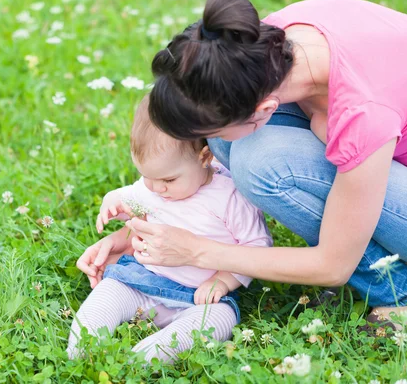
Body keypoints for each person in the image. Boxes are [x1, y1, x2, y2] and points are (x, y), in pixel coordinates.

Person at [101, 0, 407, 330]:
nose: (205, 145)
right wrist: (140, 232)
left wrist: (198, 251)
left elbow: (331, 265)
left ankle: (396, 297)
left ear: (264, 107)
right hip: (397, 148)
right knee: (231, 147)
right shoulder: (267, 43)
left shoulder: (362, 111)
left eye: (211, 130)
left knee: (263, 164)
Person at [69, 96, 272, 361]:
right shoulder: (152, 184)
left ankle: (146, 359)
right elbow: (131, 198)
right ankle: (82, 348)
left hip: (199, 296)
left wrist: (222, 280)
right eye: (146, 176)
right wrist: (113, 202)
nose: (156, 188)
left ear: (205, 157)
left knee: (220, 319)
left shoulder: (230, 196)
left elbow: (256, 245)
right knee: (109, 291)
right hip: (143, 280)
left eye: (167, 179)